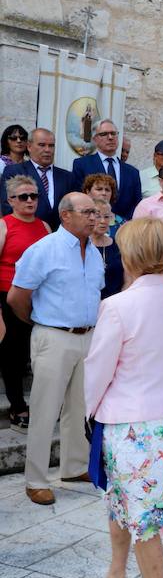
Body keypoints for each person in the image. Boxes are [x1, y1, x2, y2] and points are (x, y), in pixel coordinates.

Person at [84, 217, 163, 578]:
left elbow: (97, 371)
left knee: (144, 518)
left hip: (131, 423)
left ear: (131, 255)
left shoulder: (117, 306)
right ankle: (116, 574)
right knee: (122, 499)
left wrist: (90, 412)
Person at [9, 192, 104, 505]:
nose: (94, 217)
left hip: (87, 337)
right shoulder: (44, 249)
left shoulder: (93, 250)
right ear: (66, 216)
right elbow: (17, 297)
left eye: (96, 212)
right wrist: (40, 324)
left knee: (79, 408)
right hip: (53, 336)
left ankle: (74, 465)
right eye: (87, 212)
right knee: (45, 409)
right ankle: (35, 480)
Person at [0, 175, 51, 432]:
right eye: (23, 197)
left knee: (40, 355)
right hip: (8, 298)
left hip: (41, 300)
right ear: (11, 201)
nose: (30, 200)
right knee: (13, 355)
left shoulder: (44, 226)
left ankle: (43, 405)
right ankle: (17, 406)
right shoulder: (4, 225)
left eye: (34, 196)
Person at [0, 128, 79, 230]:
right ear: (29, 146)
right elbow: (8, 206)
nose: (47, 150)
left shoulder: (67, 177)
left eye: (51, 145)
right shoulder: (14, 171)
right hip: (26, 233)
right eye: (42, 145)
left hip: (60, 236)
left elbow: (73, 208)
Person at [71, 119, 142, 220]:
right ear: (95, 139)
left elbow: (137, 204)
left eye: (113, 134)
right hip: (92, 224)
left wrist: (121, 223)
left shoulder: (132, 172)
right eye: (104, 134)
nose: (110, 137)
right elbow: (78, 198)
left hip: (123, 227)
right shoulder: (82, 165)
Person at [91, 199, 125, 299]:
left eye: (106, 217)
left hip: (116, 302)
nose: (103, 221)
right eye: (98, 216)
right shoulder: (82, 246)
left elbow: (127, 278)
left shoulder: (119, 245)